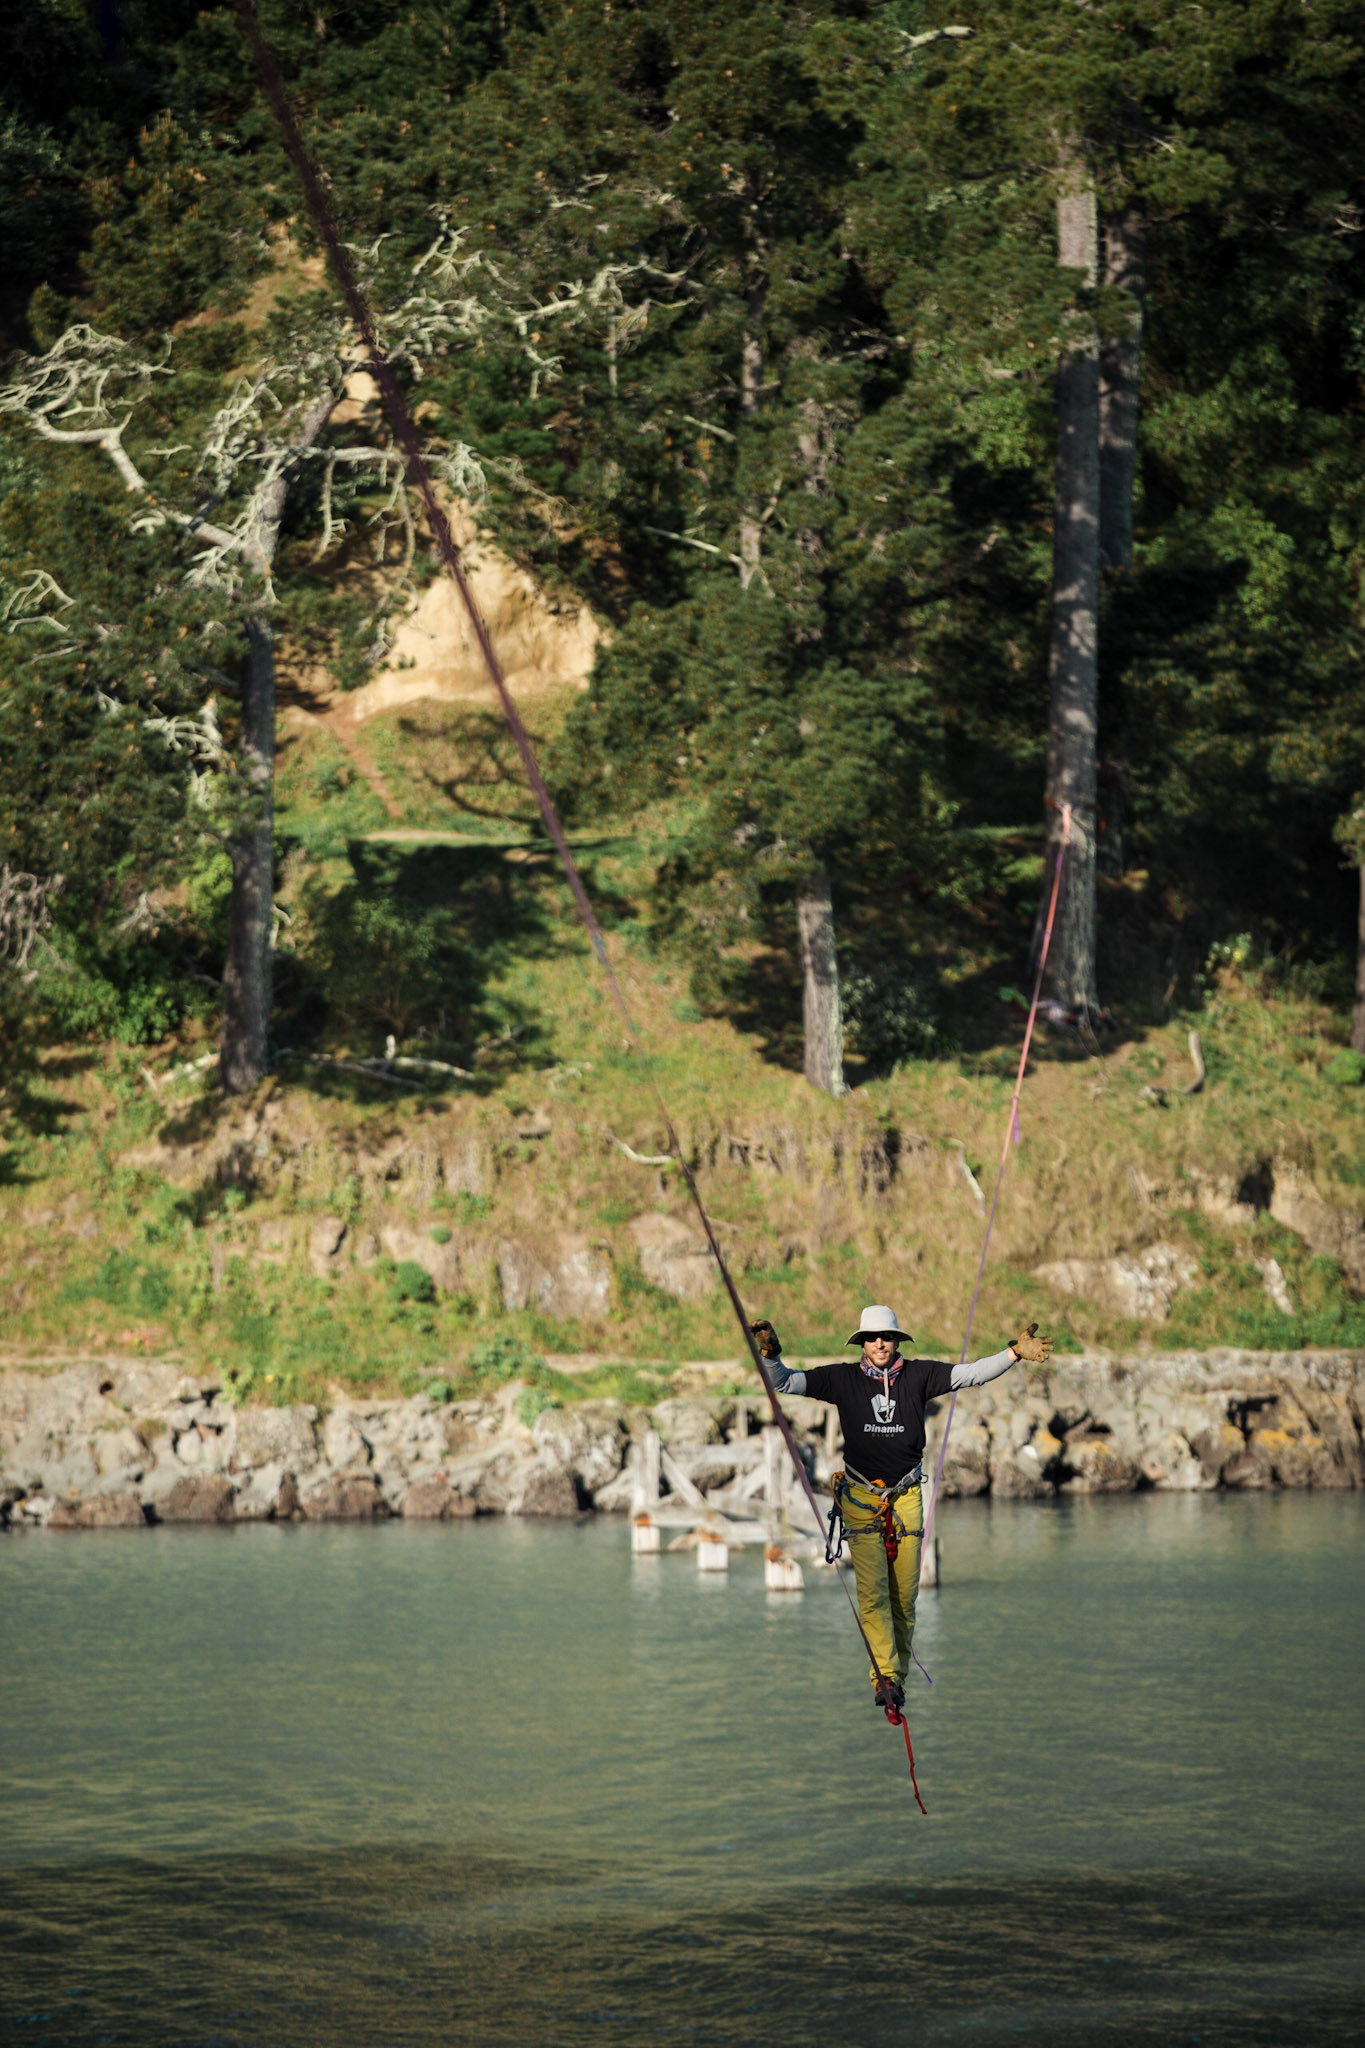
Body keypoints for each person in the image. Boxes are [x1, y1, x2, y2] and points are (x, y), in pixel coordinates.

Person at [749, 1306, 1052, 1714]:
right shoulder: (841, 1379)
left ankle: (898, 1679)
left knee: (905, 1599)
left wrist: (1013, 1353)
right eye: (871, 1337)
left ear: (897, 1340)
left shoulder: (919, 1375)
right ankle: (885, 1678)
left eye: (887, 1337)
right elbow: (783, 1382)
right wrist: (771, 1354)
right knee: (873, 1594)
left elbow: (972, 1374)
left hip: (907, 1495)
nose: (880, 1343)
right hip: (861, 1498)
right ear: (861, 1342)